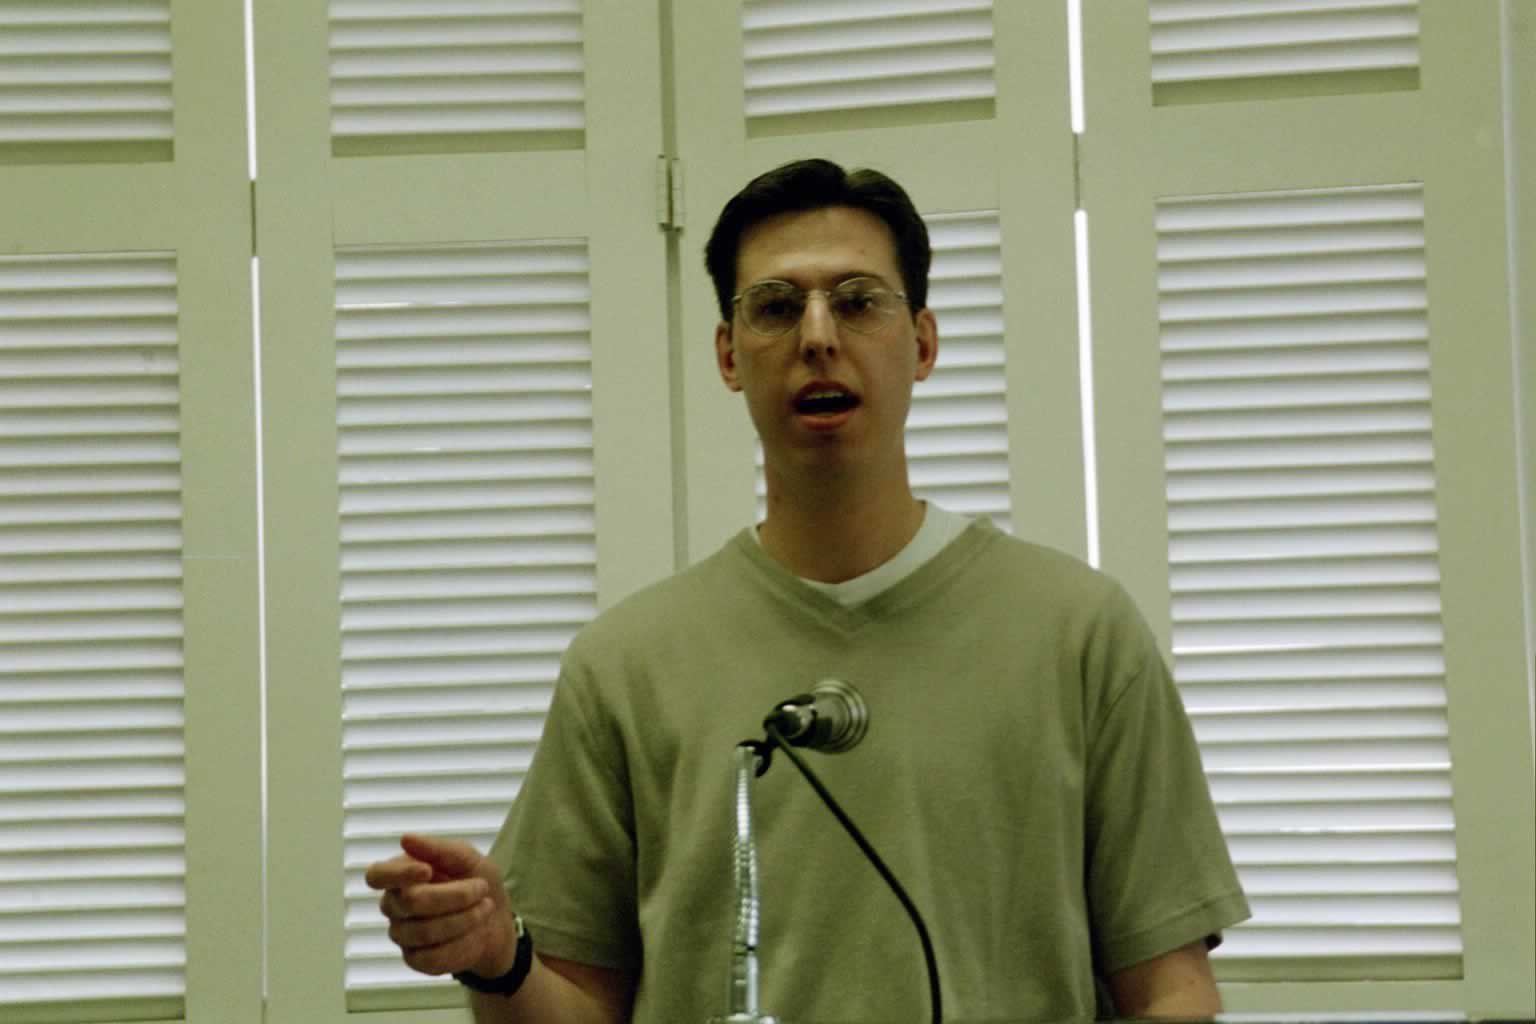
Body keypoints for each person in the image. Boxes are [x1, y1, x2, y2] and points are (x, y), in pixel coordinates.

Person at [366, 158, 1250, 1023]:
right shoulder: (627, 665)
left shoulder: (1079, 634)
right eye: (777, 307)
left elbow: (1171, 992)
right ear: (728, 355)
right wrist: (495, 957)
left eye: (859, 301)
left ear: (925, 343)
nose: (818, 336)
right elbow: (573, 1004)